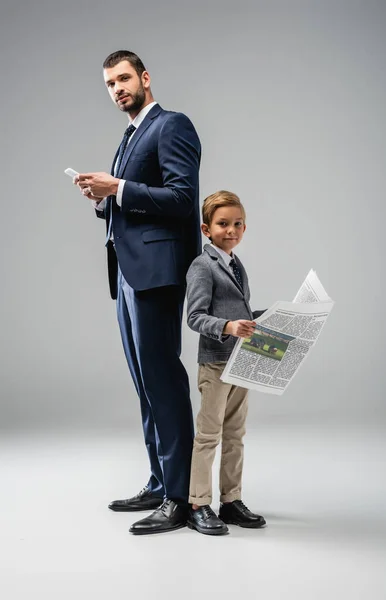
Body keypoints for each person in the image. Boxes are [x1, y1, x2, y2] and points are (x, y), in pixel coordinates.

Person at [74, 50, 201, 535]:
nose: (117, 89)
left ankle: (179, 497)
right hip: (127, 273)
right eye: (109, 84)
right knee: (146, 385)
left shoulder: (171, 125)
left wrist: (119, 187)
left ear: (145, 77)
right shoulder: (130, 135)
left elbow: (183, 198)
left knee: (163, 382)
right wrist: (103, 198)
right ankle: (158, 480)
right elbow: (131, 200)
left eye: (124, 78)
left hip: (156, 274)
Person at [185, 191, 266, 535]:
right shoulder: (202, 266)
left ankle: (231, 501)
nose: (231, 230)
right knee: (208, 436)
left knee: (235, 435)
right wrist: (227, 327)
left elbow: (240, 312)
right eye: (223, 224)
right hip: (217, 363)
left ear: (244, 228)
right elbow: (195, 317)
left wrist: (268, 318)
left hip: (242, 361)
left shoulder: (235, 263)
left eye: (237, 224)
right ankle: (198, 504)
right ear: (206, 229)